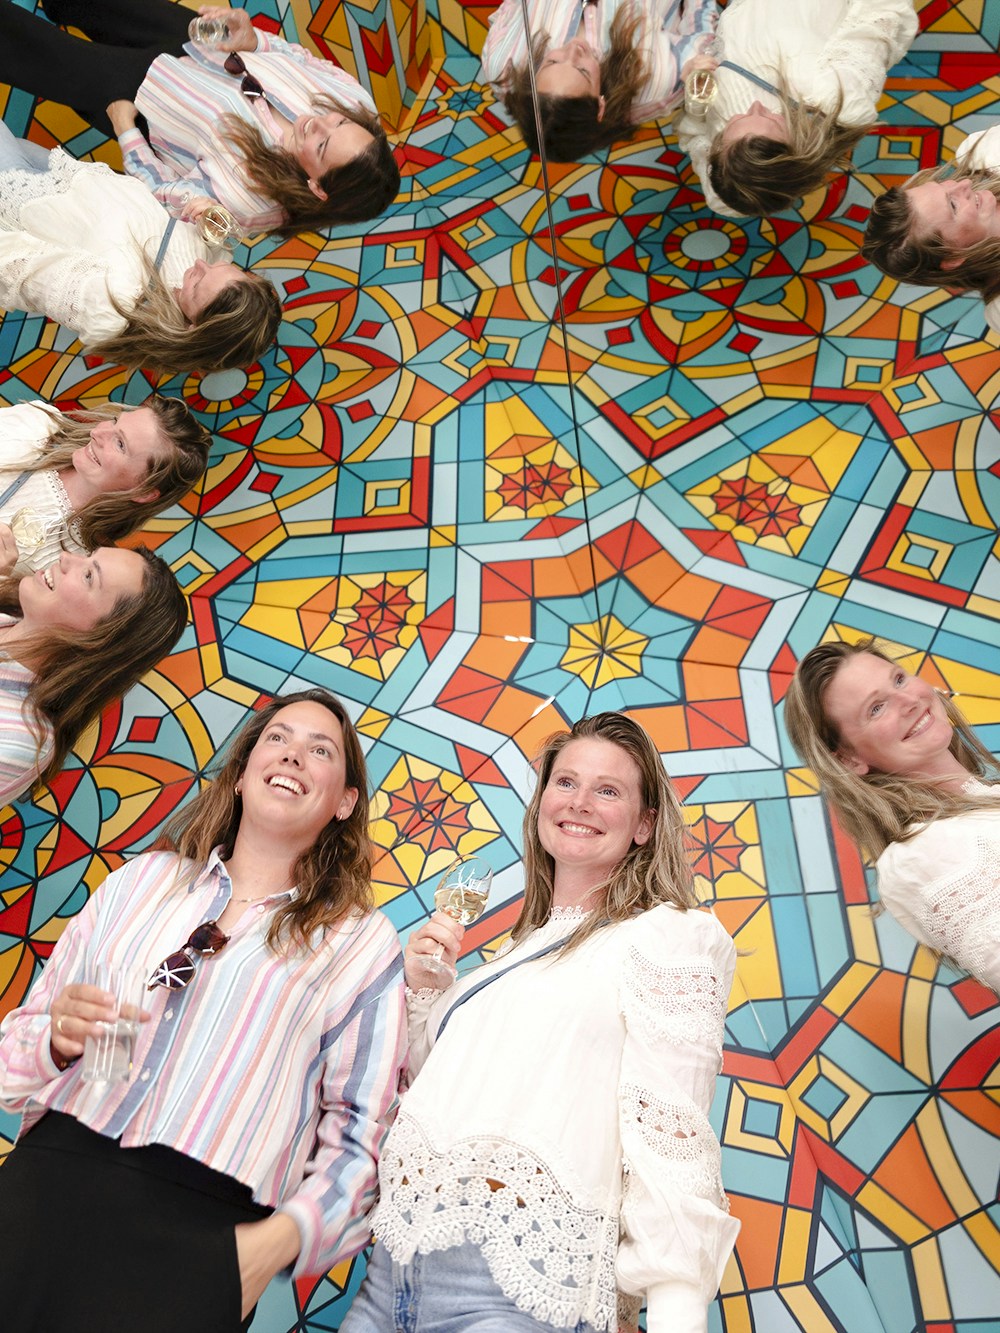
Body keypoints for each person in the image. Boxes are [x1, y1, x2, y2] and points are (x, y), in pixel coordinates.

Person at [0, 688, 407, 1331]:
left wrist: (273, 1245)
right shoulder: (142, 882)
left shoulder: (362, 943)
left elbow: (365, 1130)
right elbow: (12, 1055)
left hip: (203, 1235)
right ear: (243, 774)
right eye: (278, 738)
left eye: (320, 749)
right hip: (46, 1185)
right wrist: (54, 1038)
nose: (294, 754)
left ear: (345, 801)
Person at [341, 711, 739, 1333]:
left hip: (520, 1289)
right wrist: (424, 997)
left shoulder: (671, 935)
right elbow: (427, 1095)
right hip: (391, 1274)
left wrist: (676, 1315)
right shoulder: (504, 960)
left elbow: (673, 1139)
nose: (580, 802)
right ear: (541, 802)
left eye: (609, 790)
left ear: (645, 824)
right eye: (566, 782)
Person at [0, 0, 400, 238]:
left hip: (138, 96)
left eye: (324, 145)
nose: (321, 123)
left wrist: (126, 131)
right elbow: (303, 60)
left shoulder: (248, 204)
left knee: (18, 41)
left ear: (317, 188)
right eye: (341, 123)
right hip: (197, 42)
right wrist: (254, 40)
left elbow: (163, 192)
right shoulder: (358, 103)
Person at [784, 637, 1000, 994]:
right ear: (848, 759)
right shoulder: (920, 855)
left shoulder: (985, 801)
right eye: (876, 708)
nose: (909, 700)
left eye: (899, 679)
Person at [0, 121, 280, 377]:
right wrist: (197, 206)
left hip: (18, 197)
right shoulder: (209, 262)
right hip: (66, 173)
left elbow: (24, 268)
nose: (198, 265)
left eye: (196, 285)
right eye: (227, 270)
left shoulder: (114, 310)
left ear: (193, 328)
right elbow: (156, 206)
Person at [675, 0, 917, 218]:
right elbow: (880, 13)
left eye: (737, 120)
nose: (756, 107)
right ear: (796, 147)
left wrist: (696, 100)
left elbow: (695, 136)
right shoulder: (836, 97)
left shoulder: (728, 176)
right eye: (774, 119)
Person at [0, 545, 186, 805]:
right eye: (87, 556)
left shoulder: (23, 738)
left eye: (89, 576)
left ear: (100, 639)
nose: (66, 558)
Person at [480, 0, 719, 163]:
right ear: (601, 105)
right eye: (583, 71)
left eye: (552, 62)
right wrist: (701, 58)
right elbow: (700, 25)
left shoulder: (503, 66)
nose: (573, 50)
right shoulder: (657, 83)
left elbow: (510, 10)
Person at [0, 395, 211, 576]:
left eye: (120, 444)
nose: (98, 433)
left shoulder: (82, 570)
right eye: (114, 421)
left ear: (144, 491)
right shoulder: (34, 428)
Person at [861, 126, 1000, 331]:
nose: (965, 184)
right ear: (953, 256)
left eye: (944, 184)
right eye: (953, 205)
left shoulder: (989, 153)